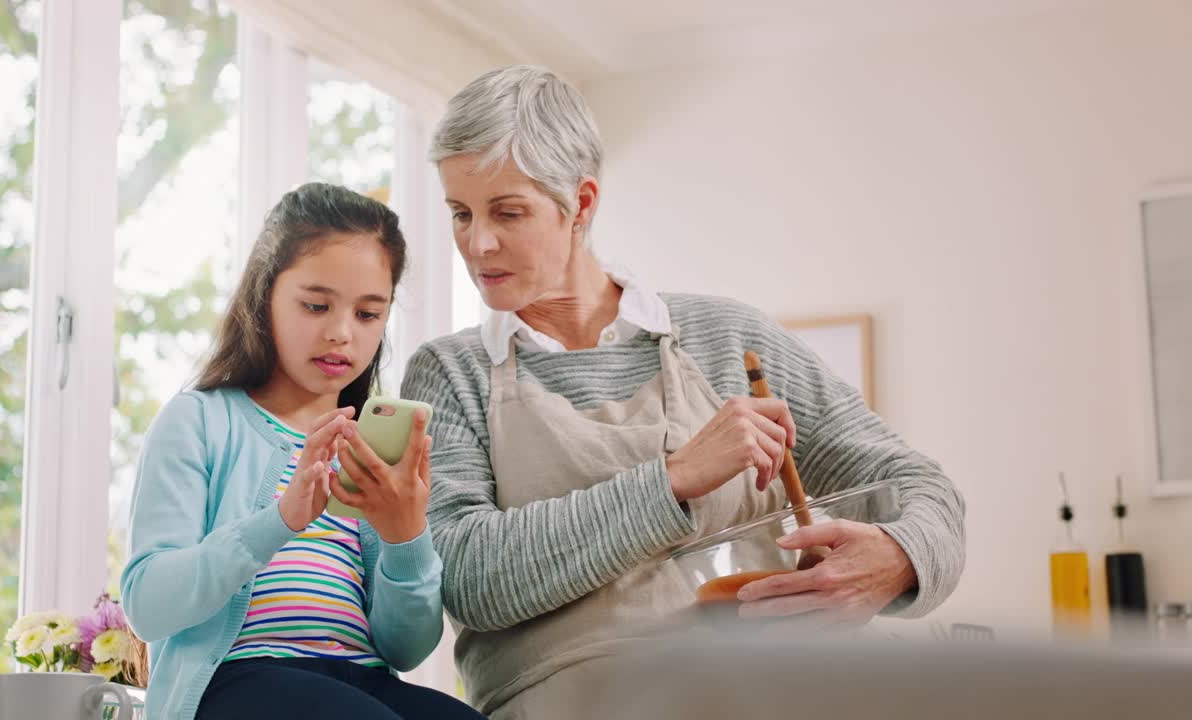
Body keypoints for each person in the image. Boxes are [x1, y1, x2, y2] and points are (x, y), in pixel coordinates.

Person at [399, 66, 966, 719]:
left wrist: (898, 558)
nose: (479, 243)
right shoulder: (451, 374)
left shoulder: (728, 337)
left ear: (581, 204)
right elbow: (470, 578)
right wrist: (673, 480)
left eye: (508, 212)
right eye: (461, 214)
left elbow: (921, 486)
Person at [121, 183, 485, 720]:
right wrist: (281, 519)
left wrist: (406, 535)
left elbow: (405, 649)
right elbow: (148, 606)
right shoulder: (199, 419)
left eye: (368, 314)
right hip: (236, 678)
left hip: (360, 679)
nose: (341, 333)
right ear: (264, 296)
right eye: (316, 305)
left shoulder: (373, 448)